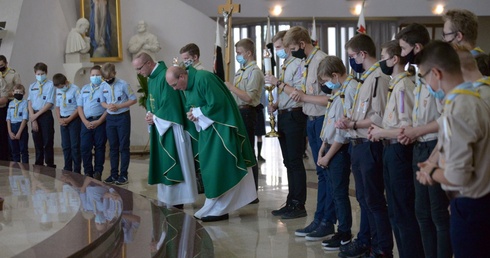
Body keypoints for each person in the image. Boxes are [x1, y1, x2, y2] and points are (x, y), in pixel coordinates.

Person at [415, 40, 490, 258]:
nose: (425, 83)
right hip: (472, 203)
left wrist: (429, 172)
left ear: (436, 73)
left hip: (474, 207)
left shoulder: (460, 108)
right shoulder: (469, 100)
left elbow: (458, 176)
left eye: (424, 77)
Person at [166, 66, 257, 222]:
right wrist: (192, 114)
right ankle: (213, 205)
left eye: (174, 85)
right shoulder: (188, 86)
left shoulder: (203, 78)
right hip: (208, 131)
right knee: (209, 168)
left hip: (222, 130)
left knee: (219, 167)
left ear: (182, 76)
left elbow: (218, 104)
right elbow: (193, 106)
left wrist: (197, 113)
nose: (175, 89)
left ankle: (221, 209)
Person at [396, 23, 452, 258]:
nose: (401, 54)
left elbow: (447, 118)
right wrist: (409, 130)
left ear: (417, 47)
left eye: (403, 48)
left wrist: (417, 131)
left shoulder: (437, 74)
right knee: (422, 213)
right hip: (419, 146)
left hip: (435, 148)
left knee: (438, 215)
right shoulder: (419, 76)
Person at [336, 33, 393, 257]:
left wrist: (354, 123)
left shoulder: (379, 77)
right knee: (363, 198)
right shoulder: (366, 78)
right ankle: (365, 240)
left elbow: (379, 117)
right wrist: (349, 122)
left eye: (352, 56)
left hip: (370, 143)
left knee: (374, 199)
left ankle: (381, 248)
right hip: (357, 142)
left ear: (362, 54)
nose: (351, 60)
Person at [367, 40, 423, 258]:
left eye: (384, 57)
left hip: (399, 151)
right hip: (390, 149)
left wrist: (382, 133)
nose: (382, 61)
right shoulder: (394, 84)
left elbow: (405, 127)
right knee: (394, 210)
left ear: (395, 59)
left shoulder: (403, 86)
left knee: (403, 211)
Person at [282, 26, 335, 236]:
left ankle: (327, 220)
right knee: (322, 174)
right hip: (311, 119)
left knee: (326, 173)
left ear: (302, 44)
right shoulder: (306, 61)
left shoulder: (321, 60)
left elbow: (330, 97)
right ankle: (319, 218)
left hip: (323, 119)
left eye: (294, 48)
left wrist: (303, 97)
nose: (293, 52)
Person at [132, 52, 197, 207]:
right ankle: (169, 198)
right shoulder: (153, 78)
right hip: (160, 125)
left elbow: (171, 104)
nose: (139, 72)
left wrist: (155, 117)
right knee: (163, 162)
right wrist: (149, 114)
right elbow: (151, 101)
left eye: (139, 68)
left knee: (173, 160)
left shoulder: (164, 76)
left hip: (171, 127)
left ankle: (179, 199)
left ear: (148, 63)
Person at [264, 30, 307, 220]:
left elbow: (298, 91)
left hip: (295, 115)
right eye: (276, 48)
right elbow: (285, 94)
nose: (278, 51)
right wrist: (275, 104)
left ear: (289, 45)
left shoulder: (298, 63)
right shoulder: (285, 64)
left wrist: (278, 83)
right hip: (283, 114)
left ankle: (299, 204)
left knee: (295, 161)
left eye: (280, 47)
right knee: (288, 161)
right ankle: (290, 201)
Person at [314, 56, 354, 251]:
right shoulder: (337, 94)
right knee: (334, 191)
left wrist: (328, 155)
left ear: (335, 76)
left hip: (338, 151)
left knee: (339, 194)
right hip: (328, 147)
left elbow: (342, 133)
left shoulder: (347, 93)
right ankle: (341, 229)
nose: (325, 85)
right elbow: (328, 126)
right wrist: (322, 148)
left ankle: (345, 232)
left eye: (326, 80)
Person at [224, 38, 264, 202]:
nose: (238, 56)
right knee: (240, 151)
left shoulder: (254, 71)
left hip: (248, 112)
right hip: (238, 112)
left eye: (240, 53)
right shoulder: (241, 71)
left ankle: (252, 192)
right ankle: (243, 189)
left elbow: (248, 97)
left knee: (248, 152)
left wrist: (231, 87)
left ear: (249, 53)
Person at [100, 63, 137, 185]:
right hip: (110, 118)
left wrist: (119, 106)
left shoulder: (123, 84)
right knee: (113, 146)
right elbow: (102, 102)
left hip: (122, 117)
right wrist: (108, 106)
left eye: (110, 78)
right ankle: (113, 174)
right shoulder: (102, 85)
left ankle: (124, 175)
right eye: (105, 79)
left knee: (123, 146)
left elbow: (133, 99)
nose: (108, 80)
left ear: (114, 74)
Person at [77, 65, 107, 180]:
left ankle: (98, 171)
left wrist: (99, 121)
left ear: (102, 76)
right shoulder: (84, 88)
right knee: (85, 147)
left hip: (100, 121)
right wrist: (84, 121)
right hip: (86, 122)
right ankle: (88, 171)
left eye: (98, 75)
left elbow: (108, 108)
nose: (95, 77)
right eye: (93, 75)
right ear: (90, 76)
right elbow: (79, 107)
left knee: (99, 147)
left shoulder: (105, 88)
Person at [28, 62, 56, 168]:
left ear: (46, 73)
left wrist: (37, 115)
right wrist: (33, 117)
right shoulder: (32, 86)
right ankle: (38, 163)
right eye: (38, 74)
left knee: (48, 140)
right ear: (35, 73)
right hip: (34, 115)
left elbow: (49, 103)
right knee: (37, 140)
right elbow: (29, 102)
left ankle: (49, 164)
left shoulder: (50, 85)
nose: (40, 76)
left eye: (42, 73)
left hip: (45, 114)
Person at [53, 73, 81, 173]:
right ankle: (67, 168)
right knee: (65, 146)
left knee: (75, 146)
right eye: (59, 88)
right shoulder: (58, 90)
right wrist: (59, 119)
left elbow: (79, 107)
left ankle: (77, 170)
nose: (61, 89)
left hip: (73, 119)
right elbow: (57, 107)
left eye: (62, 87)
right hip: (63, 119)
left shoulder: (75, 89)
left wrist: (69, 119)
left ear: (66, 82)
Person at [0, 55, 21, 161]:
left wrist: (6, 95)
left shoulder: (13, 74)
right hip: (1, 105)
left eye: (2, 65)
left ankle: (11, 155)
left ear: (6, 64)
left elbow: (18, 90)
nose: (0, 67)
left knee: (9, 130)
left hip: (10, 103)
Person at [6, 84, 29, 163]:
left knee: (23, 150)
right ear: (12, 93)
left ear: (24, 93)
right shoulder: (11, 104)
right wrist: (9, 131)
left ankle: (25, 170)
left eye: (20, 92)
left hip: (21, 126)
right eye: (16, 92)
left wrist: (19, 132)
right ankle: (16, 170)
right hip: (12, 127)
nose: (18, 93)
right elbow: (8, 118)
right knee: (14, 151)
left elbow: (25, 118)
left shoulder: (25, 103)